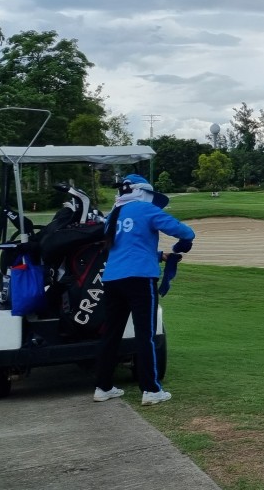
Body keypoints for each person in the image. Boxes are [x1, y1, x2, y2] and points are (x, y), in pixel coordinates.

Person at [92, 174, 194, 406]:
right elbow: (184, 231)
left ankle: (103, 387)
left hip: (112, 279)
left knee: (111, 334)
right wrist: (185, 242)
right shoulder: (145, 209)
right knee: (145, 334)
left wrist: (159, 255)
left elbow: (125, 247)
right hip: (139, 278)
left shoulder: (112, 215)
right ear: (142, 192)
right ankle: (150, 389)